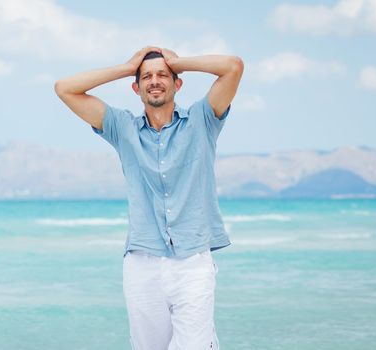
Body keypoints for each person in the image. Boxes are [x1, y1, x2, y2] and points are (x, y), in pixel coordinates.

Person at [54, 46, 243, 350]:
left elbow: (232, 66)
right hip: (142, 263)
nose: (154, 81)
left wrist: (177, 62)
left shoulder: (202, 119)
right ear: (136, 86)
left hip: (193, 261)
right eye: (146, 77)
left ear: (176, 83)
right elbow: (65, 89)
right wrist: (128, 66)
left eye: (162, 75)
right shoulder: (122, 127)